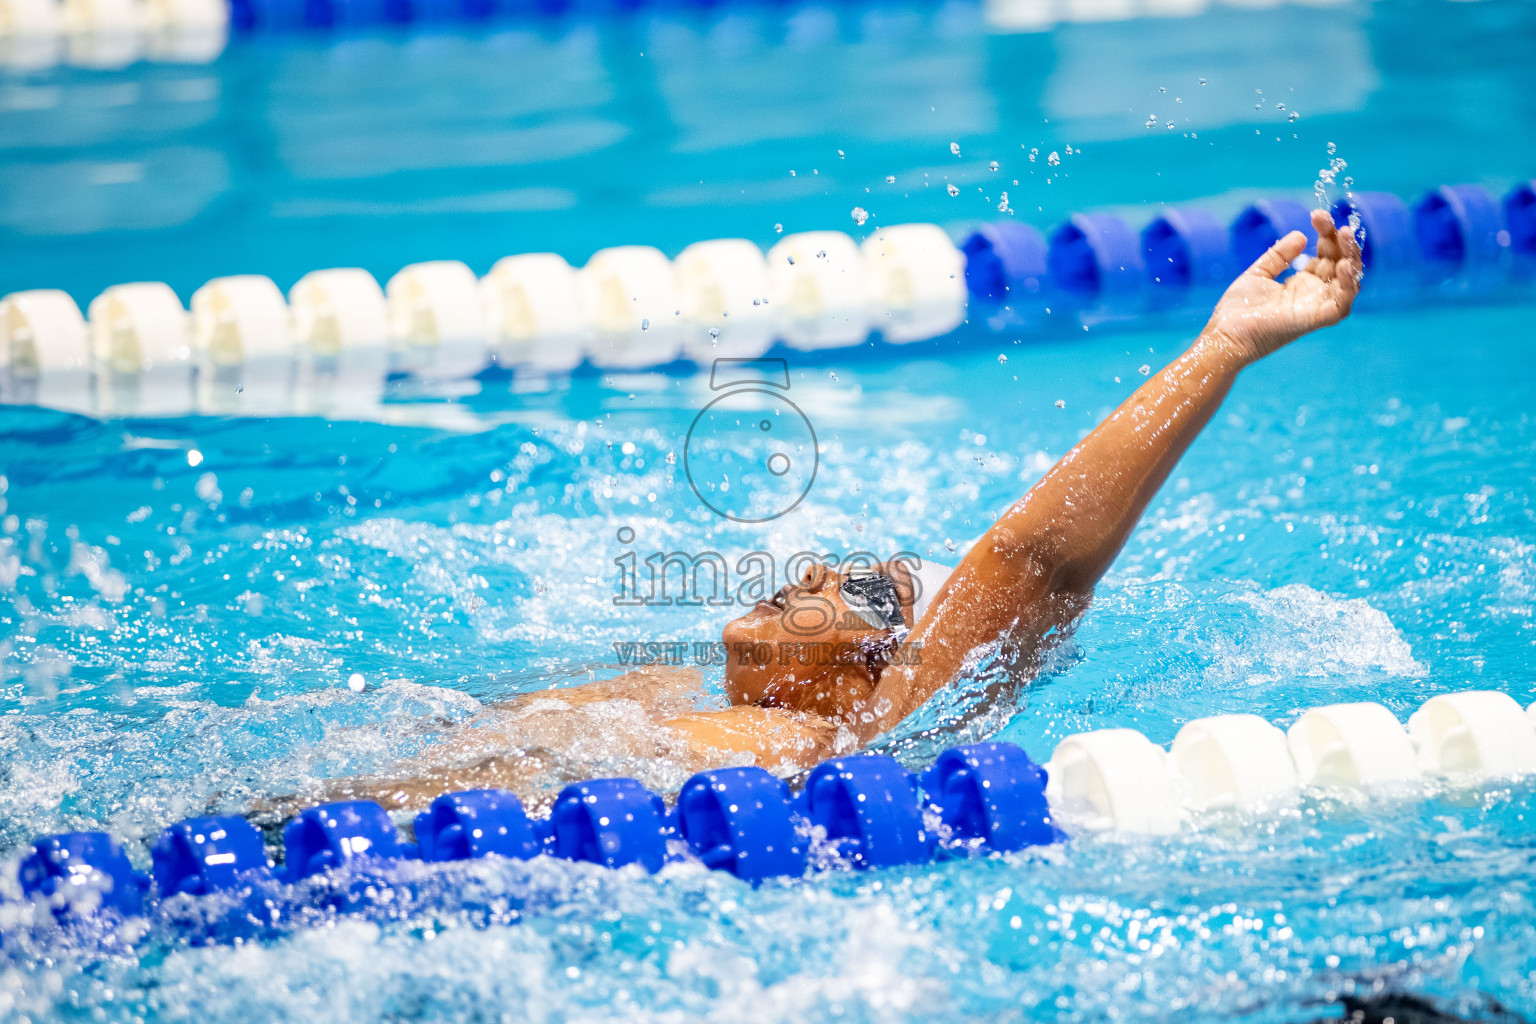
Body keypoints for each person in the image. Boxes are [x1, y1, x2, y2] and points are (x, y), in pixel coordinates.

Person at [299, 210, 1360, 815]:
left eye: (859, 588)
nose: (808, 573)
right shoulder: (660, 688)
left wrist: (1219, 350)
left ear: (888, 662)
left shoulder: (860, 730)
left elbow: (1035, 556)